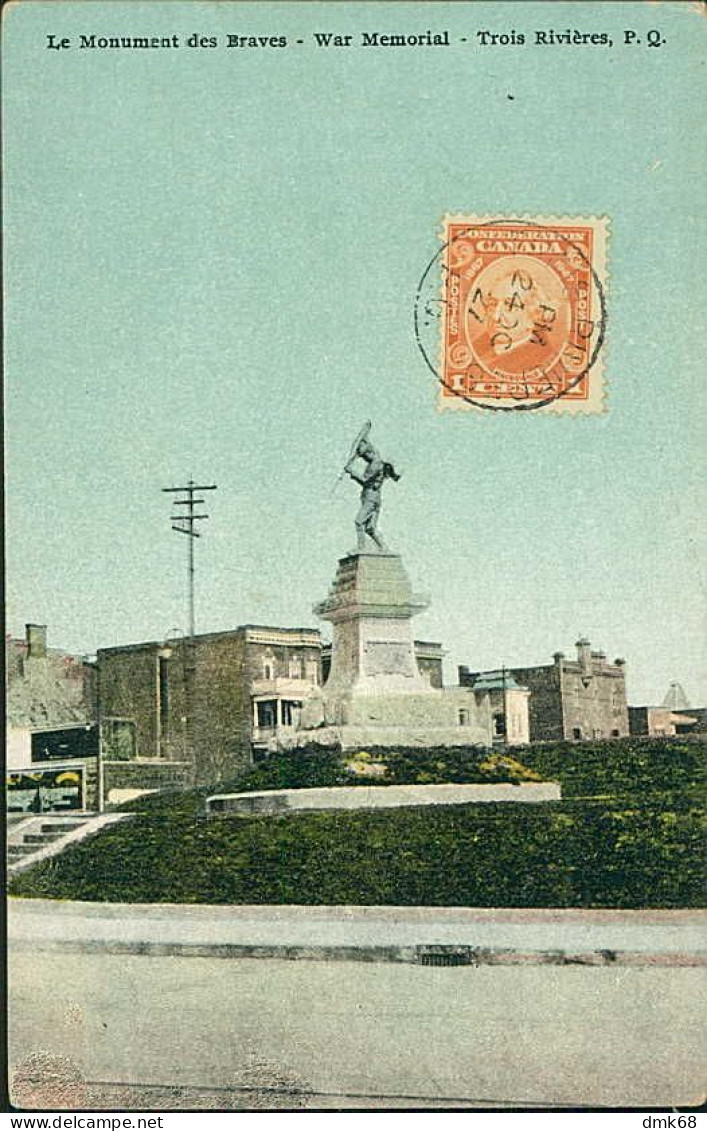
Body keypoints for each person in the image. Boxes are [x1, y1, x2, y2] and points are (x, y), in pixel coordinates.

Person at [345, 433, 400, 552]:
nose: (364, 459)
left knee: (359, 521)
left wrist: (352, 472)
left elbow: (365, 481)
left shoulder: (375, 464)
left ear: (369, 452)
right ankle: (383, 547)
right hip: (374, 498)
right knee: (370, 528)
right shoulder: (378, 461)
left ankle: (361, 548)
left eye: (364, 456)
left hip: (370, 497)